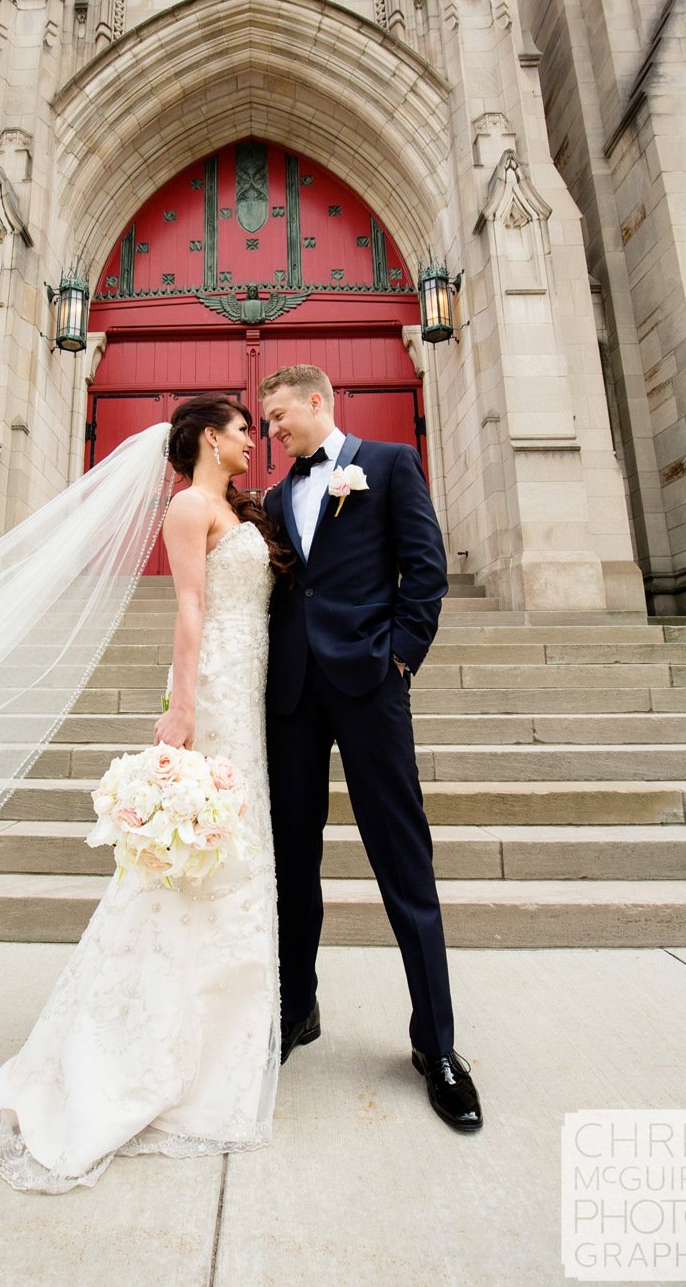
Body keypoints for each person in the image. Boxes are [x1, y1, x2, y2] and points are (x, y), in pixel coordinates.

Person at [0, 393, 284, 1188]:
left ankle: (222, 1026)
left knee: (238, 853)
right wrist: (184, 706)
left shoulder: (234, 509)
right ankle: (147, 1036)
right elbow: (192, 605)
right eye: (242, 429)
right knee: (195, 860)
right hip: (215, 687)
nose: (251, 441)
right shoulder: (187, 507)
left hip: (251, 681)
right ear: (208, 436)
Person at [259, 364, 483, 1132]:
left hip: (370, 684)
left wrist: (400, 658)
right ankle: (297, 1008)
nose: (273, 430)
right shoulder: (273, 497)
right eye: (266, 422)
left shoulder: (388, 464)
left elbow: (425, 569)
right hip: (289, 696)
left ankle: (437, 1044)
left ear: (320, 401)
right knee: (293, 859)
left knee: (402, 855)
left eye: (281, 415)